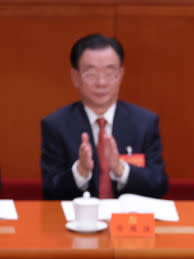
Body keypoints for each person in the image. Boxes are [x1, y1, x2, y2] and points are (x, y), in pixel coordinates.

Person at [41, 34, 168, 200]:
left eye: (109, 73)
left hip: (128, 221)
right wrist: (80, 172)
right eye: (91, 73)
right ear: (75, 77)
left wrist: (120, 169)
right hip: (79, 223)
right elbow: (50, 190)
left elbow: (159, 185)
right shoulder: (56, 125)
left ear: (120, 75)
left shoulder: (144, 122)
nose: (101, 82)